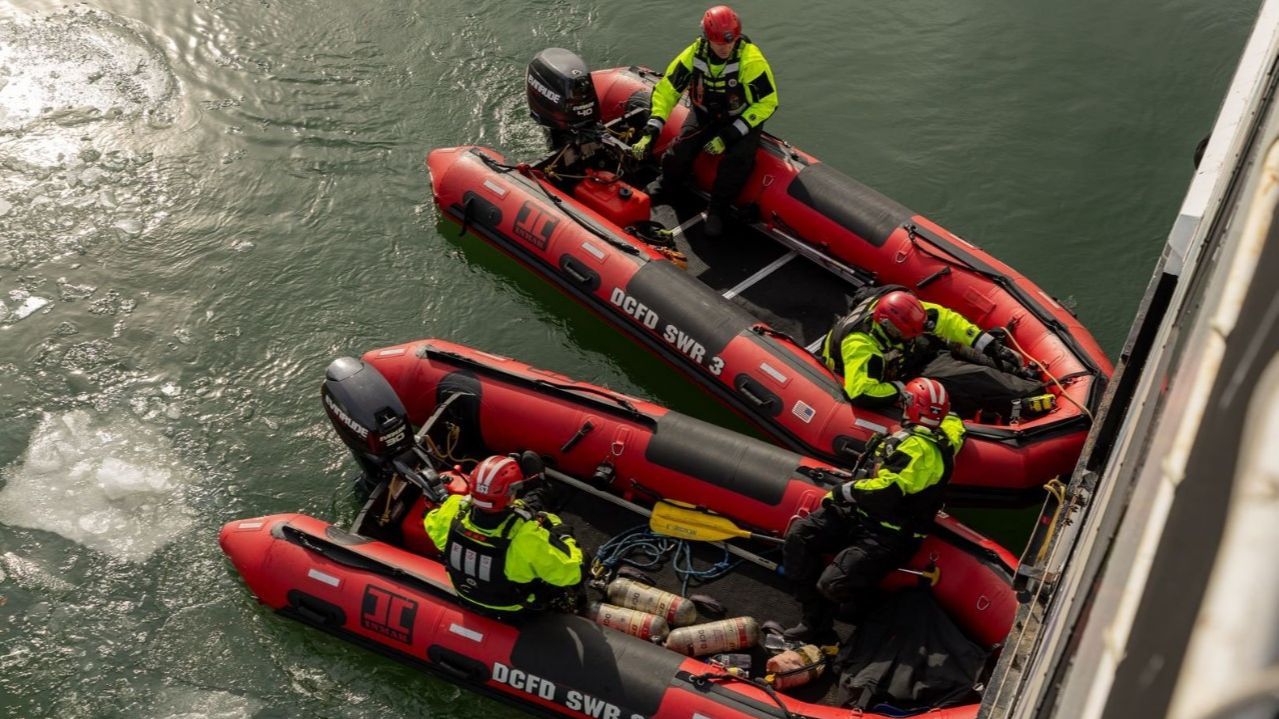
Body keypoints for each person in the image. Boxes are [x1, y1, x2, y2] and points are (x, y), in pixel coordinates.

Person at [781, 378, 965, 642]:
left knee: (833, 585)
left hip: (888, 534)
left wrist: (841, 493)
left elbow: (886, 493)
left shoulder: (921, 449)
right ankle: (815, 624)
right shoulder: (942, 436)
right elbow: (954, 424)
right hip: (862, 516)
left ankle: (868, 616)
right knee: (800, 537)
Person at [630, 5, 779, 238]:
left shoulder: (751, 60)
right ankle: (667, 184)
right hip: (705, 113)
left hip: (741, 119)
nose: (726, 48)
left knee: (738, 160)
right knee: (679, 151)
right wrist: (653, 128)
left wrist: (728, 135)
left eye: (730, 42)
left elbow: (767, 102)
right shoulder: (694, 54)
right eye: (720, 44)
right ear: (708, 39)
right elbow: (668, 90)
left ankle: (717, 210)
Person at [821, 286, 1044, 417]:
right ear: (890, 328)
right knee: (963, 381)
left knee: (982, 359)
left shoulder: (907, 311)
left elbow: (948, 321)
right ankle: (1021, 398)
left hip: (912, 354)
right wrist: (902, 388)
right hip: (896, 374)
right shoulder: (862, 347)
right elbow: (863, 393)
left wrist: (991, 345)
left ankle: (1020, 380)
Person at [424, 453, 585, 619]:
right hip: (513, 607)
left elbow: (432, 521)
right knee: (581, 561)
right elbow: (573, 573)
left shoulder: (453, 510)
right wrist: (562, 532)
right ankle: (578, 605)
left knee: (531, 504)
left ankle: (540, 489)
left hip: (467, 594)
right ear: (511, 494)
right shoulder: (526, 538)